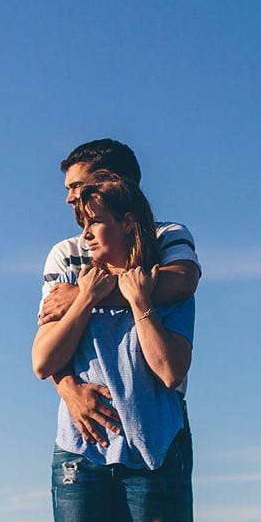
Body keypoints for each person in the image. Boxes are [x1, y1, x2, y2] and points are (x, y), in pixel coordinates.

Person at [32, 167, 195, 522]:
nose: (84, 235)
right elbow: (42, 362)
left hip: (151, 459)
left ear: (128, 222)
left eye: (94, 221)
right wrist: (82, 300)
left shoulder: (165, 277)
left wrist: (140, 301)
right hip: (80, 462)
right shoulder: (71, 275)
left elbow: (171, 372)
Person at [39, 140, 200, 448]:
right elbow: (49, 339)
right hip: (86, 425)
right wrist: (69, 389)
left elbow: (181, 281)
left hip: (158, 416)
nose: (69, 197)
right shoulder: (65, 254)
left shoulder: (166, 236)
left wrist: (84, 295)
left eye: (76, 186)